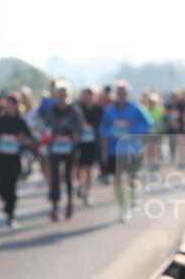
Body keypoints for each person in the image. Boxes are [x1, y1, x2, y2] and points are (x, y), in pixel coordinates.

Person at [100, 80, 153, 222]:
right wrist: (109, 132)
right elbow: (103, 128)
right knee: (117, 180)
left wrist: (132, 129)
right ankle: (123, 209)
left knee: (132, 178)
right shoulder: (110, 110)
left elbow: (148, 124)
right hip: (114, 149)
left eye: (124, 92)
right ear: (116, 94)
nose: (121, 94)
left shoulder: (136, 108)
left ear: (128, 94)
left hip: (132, 148)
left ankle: (133, 196)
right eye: (119, 92)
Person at [42, 81, 87, 221]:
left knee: (68, 177)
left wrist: (69, 128)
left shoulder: (74, 110)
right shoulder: (52, 110)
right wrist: (52, 132)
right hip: (55, 147)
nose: (62, 98)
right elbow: (46, 126)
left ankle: (69, 202)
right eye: (59, 95)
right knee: (54, 176)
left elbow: (81, 128)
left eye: (64, 95)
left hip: (70, 148)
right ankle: (55, 205)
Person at [0, 94, 33, 228]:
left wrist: (22, 139)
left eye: (11, 104)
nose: (8, 107)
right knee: (2, 186)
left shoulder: (21, 122)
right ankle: (7, 204)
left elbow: (29, 139)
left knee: (12, 186)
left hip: (14, 158)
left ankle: (11, 214)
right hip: (0, 157)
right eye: (6, 104)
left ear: (16, 105)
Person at [75, 86, 103, 205]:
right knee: (78, 167)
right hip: (78, 143)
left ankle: (87, 192)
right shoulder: (76, 108)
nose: (87, 97)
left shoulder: (98, 109)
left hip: (92, 143)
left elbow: (101, 124)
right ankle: (80, 185)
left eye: (90, 95)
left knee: (89, 168)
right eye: (85, 94)